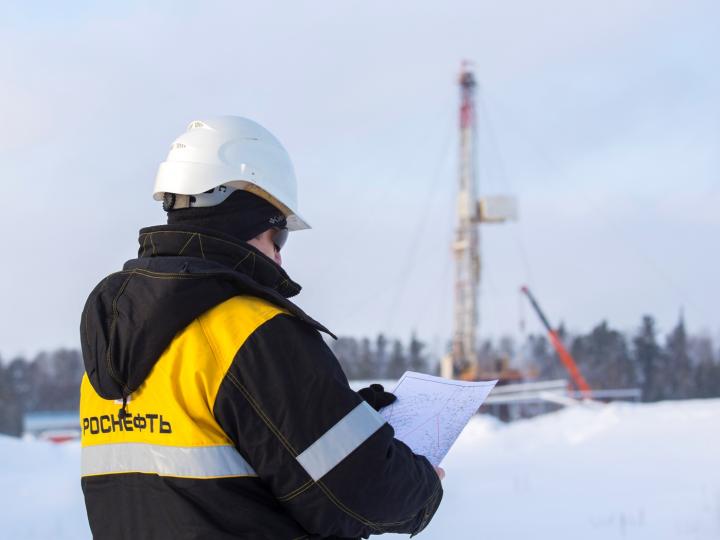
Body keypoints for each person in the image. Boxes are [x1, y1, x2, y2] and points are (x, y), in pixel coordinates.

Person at [79, 116, 443, 539]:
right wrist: (422, 486)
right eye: (279, 236)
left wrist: (339, 415)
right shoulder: (253, 332)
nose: (281, 257)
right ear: (246, 221)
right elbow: (363, 496)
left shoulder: (110, 346)